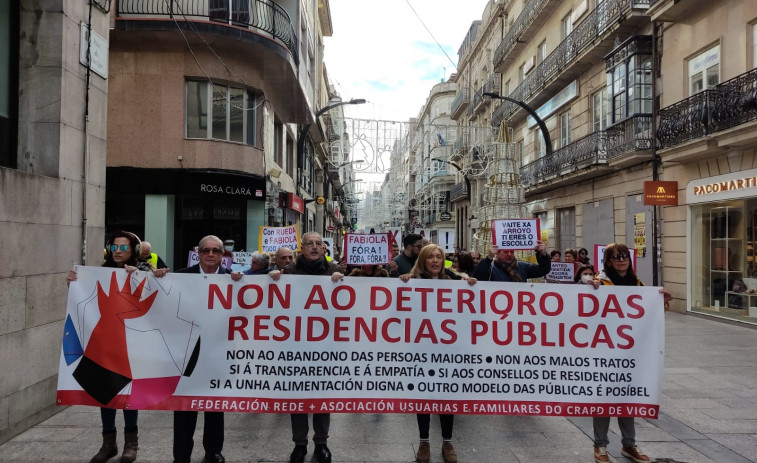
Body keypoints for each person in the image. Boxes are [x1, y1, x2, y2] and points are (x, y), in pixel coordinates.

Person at [65, 231, 168, 463]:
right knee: (104, 392)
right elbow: (82, 301)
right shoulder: (97, 273)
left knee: (127, 393)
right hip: (102, 343)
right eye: (114, 247)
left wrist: (151, 275)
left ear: (133, 250)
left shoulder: (143, 270)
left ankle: (131, 444)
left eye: (124, 247)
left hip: (129, 343)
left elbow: (158, 296)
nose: (118, 251)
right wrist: (73, 283)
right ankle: (108, 444)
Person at [591, 243, 672, 463]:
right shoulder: (601, 283)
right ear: (608, 261)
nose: (621, 260)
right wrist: (590, 284)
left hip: (630, 353)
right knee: (603, 398)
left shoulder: (639, 284)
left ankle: (629, 445)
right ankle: (600, 445)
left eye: (624, 256)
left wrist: (662, 301)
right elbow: (585, 294)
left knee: (627, 397)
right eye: (616, 256)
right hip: (605, 351)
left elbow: (651, 312)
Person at [268, 232, 344, 463]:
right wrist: (271, 278)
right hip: (296, 346)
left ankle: (321, 443)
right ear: (301, 248)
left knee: (321, 396)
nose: (313, 247)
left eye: (318, 244)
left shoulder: (334, 271)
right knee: (297, 396)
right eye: (309, 243)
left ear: (324, 249)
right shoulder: (289, 272)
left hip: (325, 346)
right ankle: (299, 444)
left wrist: (342, 280)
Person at [399, 244, 476, 463]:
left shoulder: (454, 282)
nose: (435, 261)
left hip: (447, 351)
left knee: (446, 395)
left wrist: (469, 285)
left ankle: (447, 441)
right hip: (420, 351)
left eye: (439, 257)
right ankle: (424, 442)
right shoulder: (409, 282)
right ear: (423, 260)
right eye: (430, 257)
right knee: (423, 397)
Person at [173, 235, 243, 463]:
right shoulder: (181, 276)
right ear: (198, 253)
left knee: (215, 406)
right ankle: (181, 455)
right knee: (184, 407)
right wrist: (159, 277)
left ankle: (213, 451)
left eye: (215, 250)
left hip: (218, 352)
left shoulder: (235, 280)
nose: (210, 254)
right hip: (188, 352)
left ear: (223, 255)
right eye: (206, 250)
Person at [471, 241, 551, 282]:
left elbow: (544, 270)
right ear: (498, 253)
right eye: (505, 252)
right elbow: (478, 276)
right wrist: (489, 258)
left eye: (511, 252)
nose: (509, 254)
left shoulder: (523, 267)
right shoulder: (491, 268)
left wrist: (543, 254)